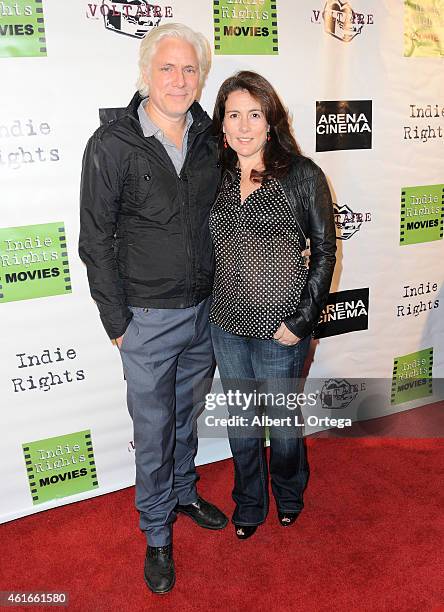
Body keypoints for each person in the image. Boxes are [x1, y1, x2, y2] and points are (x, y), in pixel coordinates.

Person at [79, 23, 228, 595]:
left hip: (203, 313)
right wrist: (117, 323)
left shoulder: (211, 138)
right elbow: (96, 239)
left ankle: (185, 492)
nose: (179, 79)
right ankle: (157, 532)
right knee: (154, 425)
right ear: (146, 74)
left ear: (201, 77)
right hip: (144, 319)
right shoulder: (113, 143)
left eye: (189, 69)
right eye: (167, 68)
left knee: (187, 416)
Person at [209, 71, 336, 539]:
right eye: (233, 115)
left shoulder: (301, 174)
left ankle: (288, 492)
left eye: (254, 115)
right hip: (226, 323)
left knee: (281, 424)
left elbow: (324, 251)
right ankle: (248, 502)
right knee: (242, 424)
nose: (244, 126)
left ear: (271, 120)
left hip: (282, 327)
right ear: (222, 123)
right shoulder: (214, 174)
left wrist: (303, 320)